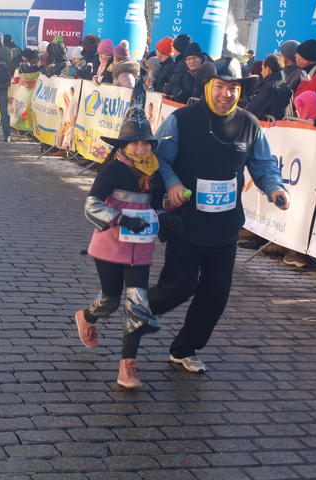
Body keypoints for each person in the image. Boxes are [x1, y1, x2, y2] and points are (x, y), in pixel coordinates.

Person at [148, 59, 288, 373]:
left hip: (225, 226)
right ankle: (138, 310)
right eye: (220, 86)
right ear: (208, 87)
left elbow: (263, 164)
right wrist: (172, 183)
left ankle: (185, 349)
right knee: (178, 287)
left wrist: (274, 188)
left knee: (215, 295)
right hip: (187, 221)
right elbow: (159, 159)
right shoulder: (181, 120)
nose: (226, 94)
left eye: (233, 88)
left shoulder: (249, 124)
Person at [75, 86, 168, 389]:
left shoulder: (155, 172)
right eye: (134, 143)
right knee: (111, 299)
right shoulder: (113, 169)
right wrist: (121, 219)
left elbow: (156, 205)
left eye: (145, 143)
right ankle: (87, 316)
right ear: (123, 145)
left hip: (141, 248)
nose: (140, 149)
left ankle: (128, 365)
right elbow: (91, 205)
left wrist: (165, 220)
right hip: (110, 245)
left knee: (136, 302)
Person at [245, 54, 292, 121]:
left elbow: (251, 111)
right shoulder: (286, 87)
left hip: (268, 126)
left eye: (262, 69)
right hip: (283, 125)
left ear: (268, 69)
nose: (261, 72)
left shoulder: (269, 89)